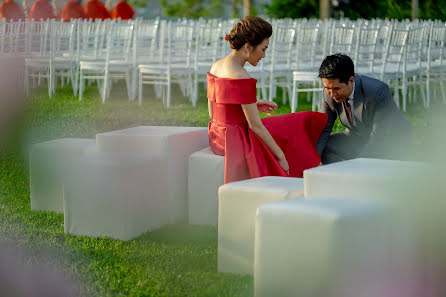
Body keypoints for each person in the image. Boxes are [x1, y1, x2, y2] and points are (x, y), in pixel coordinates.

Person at [207, 16, 327, 184]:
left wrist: (252, 103)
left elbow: (213, 111)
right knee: (297, 123)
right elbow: (256, 126)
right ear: (248, 47)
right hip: (236, 140)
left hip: (217, 137)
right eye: (263, 49)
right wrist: (281, 156)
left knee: (287, 124)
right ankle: (302, 174)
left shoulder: (216, 66)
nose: (264, 55)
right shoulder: (241, 76)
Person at [315, 53, 412, 164]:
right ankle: (338, 178)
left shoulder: (378, 91)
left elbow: (378, 138)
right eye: (327, 88)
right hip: (359, 137)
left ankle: (355, 176)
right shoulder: (329, 95)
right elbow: (324, 130)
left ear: (351, 80)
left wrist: (357, 167)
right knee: (326, 145)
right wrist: (311, 162)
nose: (332, 94)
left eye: (337, 88)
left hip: (390, 142)